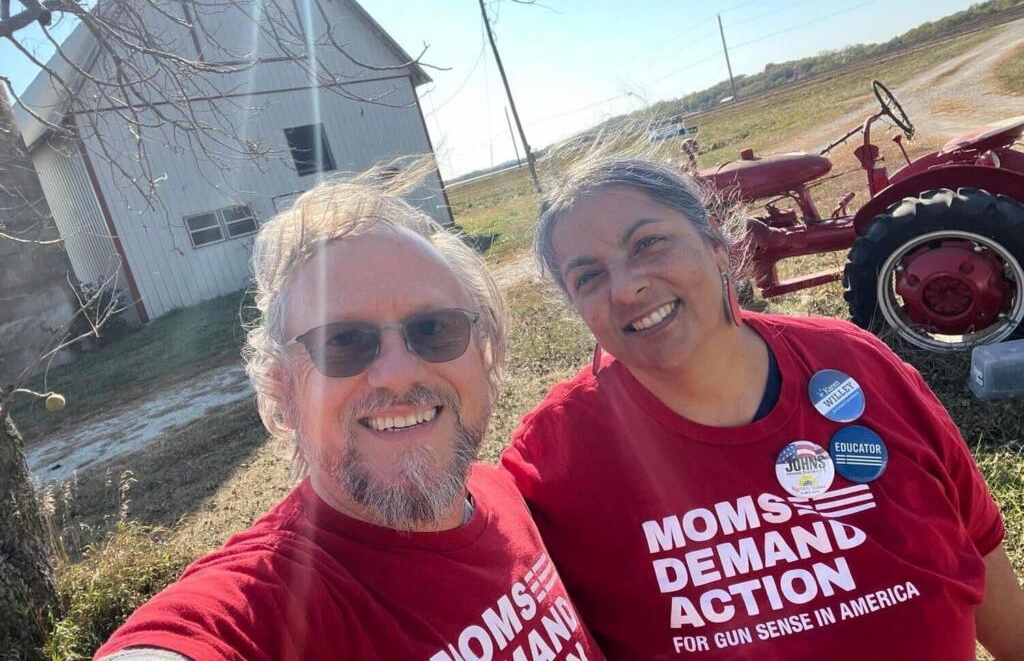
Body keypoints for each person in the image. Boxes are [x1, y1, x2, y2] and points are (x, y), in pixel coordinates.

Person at [500, 156, 1024, 660]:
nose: (627, 286)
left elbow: (977, 543)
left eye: (649, 243)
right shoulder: (553, 458)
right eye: (588, 277)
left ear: (716, 244)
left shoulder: (857, 363)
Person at [96, 172, 604, 661]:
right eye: (341, 341)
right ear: (283, 389)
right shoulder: (277, 604)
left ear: (485, 354)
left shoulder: (505, 495)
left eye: (433, 329)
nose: (399, 373)